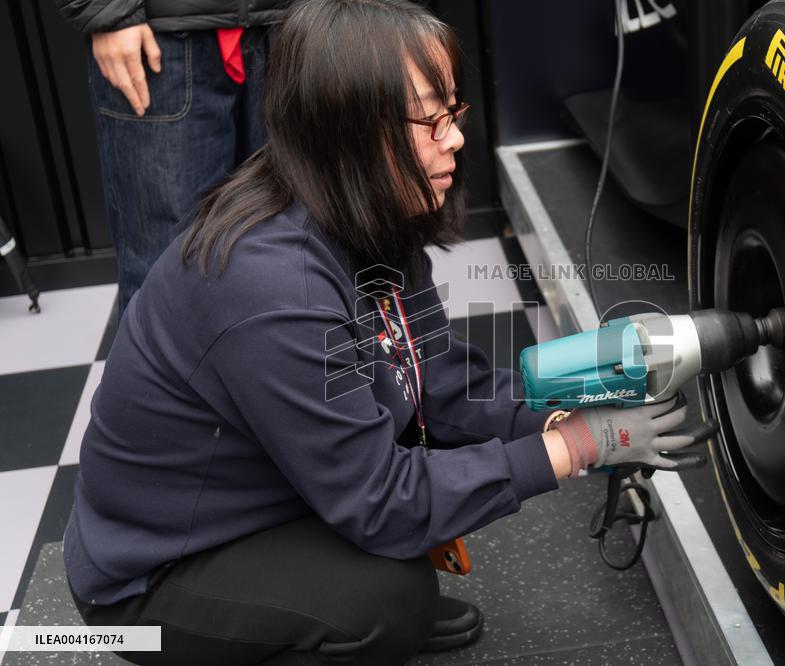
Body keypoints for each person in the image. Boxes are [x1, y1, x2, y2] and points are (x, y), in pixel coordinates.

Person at [63, 1, 714, 663]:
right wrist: (579, 447)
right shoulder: (274, 287)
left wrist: (567, 413)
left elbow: (439, 383)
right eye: (430, 120)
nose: (455, 138)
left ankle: (316, 608)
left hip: (260, 495)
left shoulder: (365, 216)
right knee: (386, 601)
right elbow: (381, 502)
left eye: (452, 113)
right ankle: (305, 622)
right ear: (349, 132)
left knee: (403, 564)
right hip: (147, 578)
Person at [55, 0, 292, 319]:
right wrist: (108, 11)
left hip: (290, 26)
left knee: (289, 262)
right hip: (162, 39)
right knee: (168, 274)